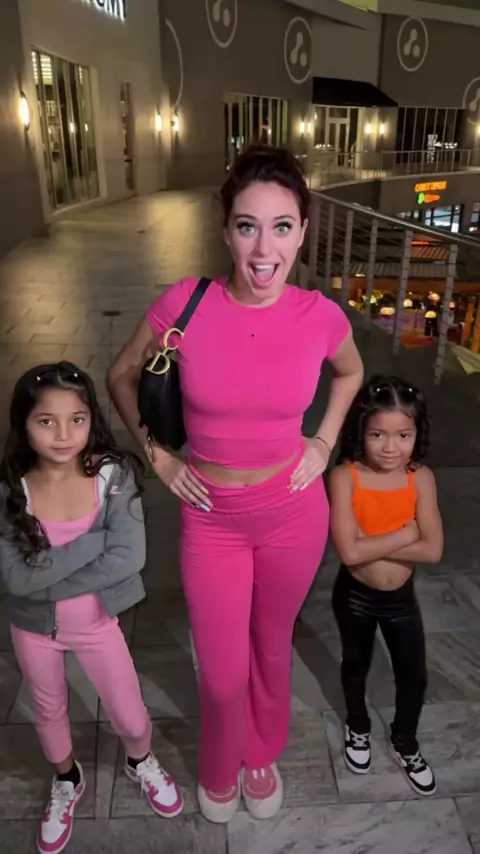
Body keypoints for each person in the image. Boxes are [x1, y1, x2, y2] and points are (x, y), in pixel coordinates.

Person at [107, 145, 363, 823]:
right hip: (212, 518)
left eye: (281, 227)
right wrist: (160, 457)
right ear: (225, 230)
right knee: (222, 673)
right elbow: (121, 375)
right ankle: (220, 762)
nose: (263, 248)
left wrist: (323, 442)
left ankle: (259, 754)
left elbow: (351, 373)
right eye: (247, 226)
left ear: (302, 232)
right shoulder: (185, 303)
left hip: (292, 513)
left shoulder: (319, 315)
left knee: (271, 649)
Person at [0, 362, 183, 854]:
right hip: (33, 628)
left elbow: (129, 558)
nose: (63, 434)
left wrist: (43, 577)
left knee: (130, 712)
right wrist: (94, 542)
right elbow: (15, 577)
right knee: (48, 708)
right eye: (46, 421)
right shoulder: (12, 488)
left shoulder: (112, 476)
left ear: (91, 420)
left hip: (98, 622)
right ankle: (66, 778)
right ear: (23, 424)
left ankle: (139, 760)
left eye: (76, 420)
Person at [329, 375, 443, 797]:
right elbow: (349, 553)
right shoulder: (344, 477)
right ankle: (357, 724)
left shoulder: (421, 477)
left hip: (401, 600)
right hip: (355, 596)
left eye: (403, 435)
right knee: (355, 665)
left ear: (417, 434)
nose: (391, 447)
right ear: (360, 431)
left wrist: (372, 542)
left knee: (414, 675)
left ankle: (404, 740)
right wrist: (405, 533)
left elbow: (433, 550)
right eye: (378, 434)